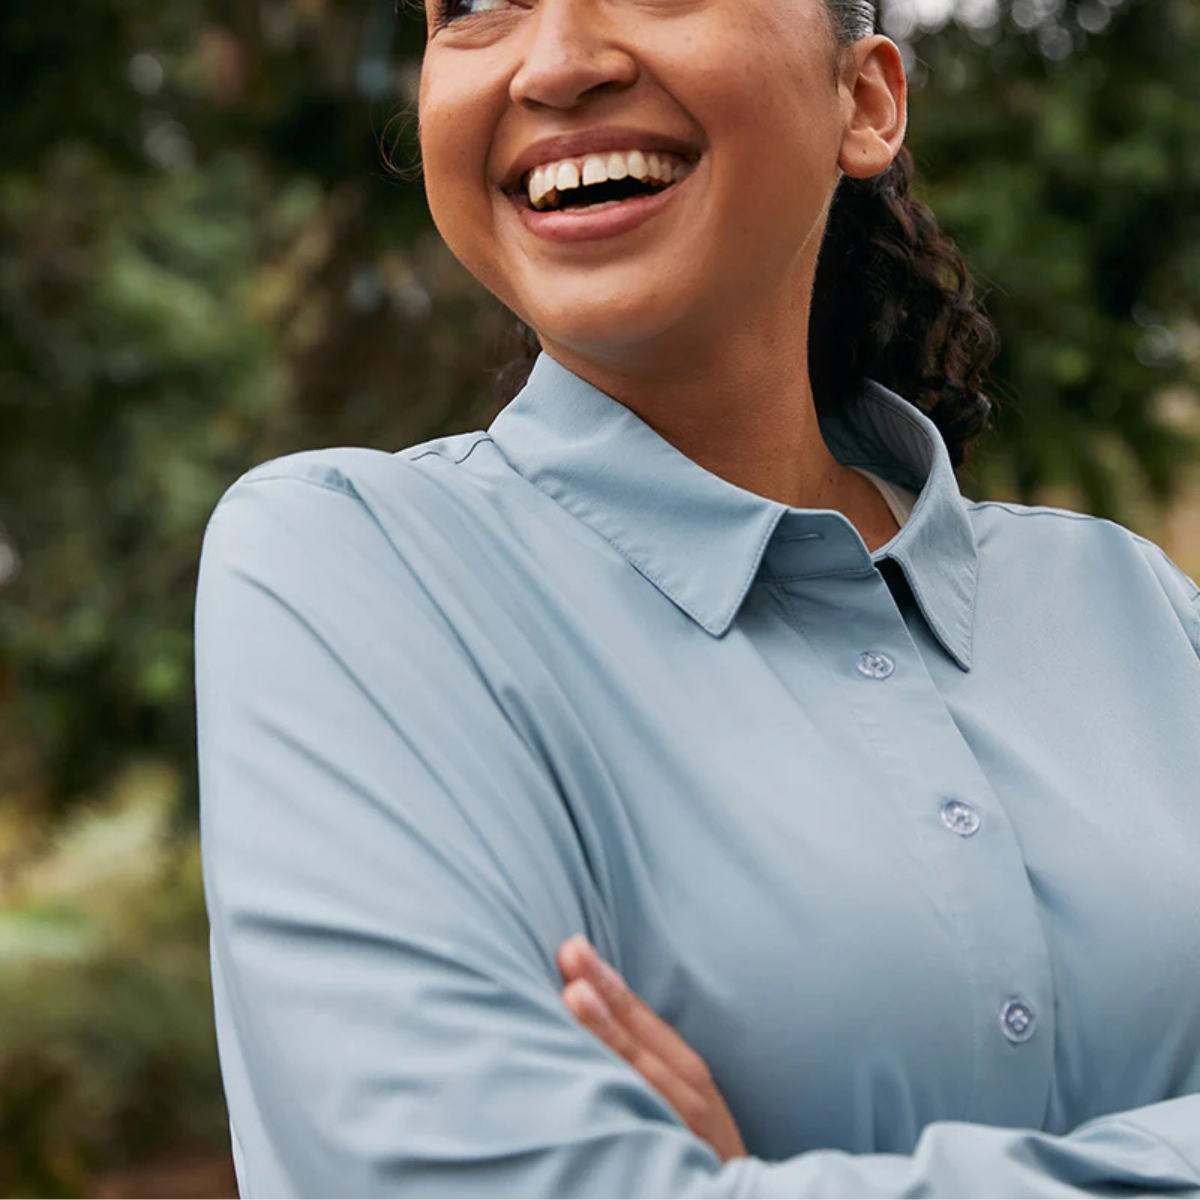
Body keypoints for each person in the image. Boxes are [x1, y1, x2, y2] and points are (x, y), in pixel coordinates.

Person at [194, 0, 1200, 1193]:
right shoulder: (348, 566)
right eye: (475, 7)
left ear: (865, 102)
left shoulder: (1137, 609)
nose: (558, 62)